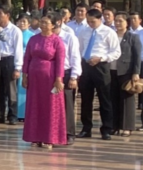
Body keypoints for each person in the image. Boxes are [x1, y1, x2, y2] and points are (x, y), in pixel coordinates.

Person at [21, 14, 66, 150]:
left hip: (49, 77)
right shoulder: (33, 39)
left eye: (46, 23)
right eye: (42, 22)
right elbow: (27, 57)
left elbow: (60, 61)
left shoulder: (57, 41)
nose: (43, 25)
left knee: (50, 106)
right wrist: (25, 75)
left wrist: (59, 79)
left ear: (53, 25)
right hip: (34, 78)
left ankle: (49, 138)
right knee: (34, 105)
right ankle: (34, 136)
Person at [78, 8, 120, 140]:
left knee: (104, 99)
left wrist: (101, 58)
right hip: (86, 66)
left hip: (101, 66)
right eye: (88, 21)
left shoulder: (109, 32)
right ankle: (86, 128)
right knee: (85, 99)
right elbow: (79, 48)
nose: (90, 24)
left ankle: (106, 128)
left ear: (100, 19)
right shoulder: (83, 31)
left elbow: (116, 52)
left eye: (93, 21)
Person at [0, 8, 23, 125]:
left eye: (0, 13)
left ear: (8, 15)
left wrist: (17, 68)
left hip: (9, 60)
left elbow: (18, 50)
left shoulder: (15, 30)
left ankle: (12, 115)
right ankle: (0, 115)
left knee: (11, 90)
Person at [112, 14, 140, 138]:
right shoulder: (111, 35)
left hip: (126, 71)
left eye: (120, 21)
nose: (117, 23)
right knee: (113, 99)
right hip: (111, 70)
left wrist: (136, 73)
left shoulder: (133, 37)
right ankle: (115, 125)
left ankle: (127, 127)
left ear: (126, 23)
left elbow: (137, 57)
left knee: (127, 100)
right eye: (116, 21)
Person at [57, 12, 83, 142]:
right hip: (50, 75)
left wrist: (74, 77)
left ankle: (69, 133)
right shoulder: (44, 38)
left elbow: (75, 58)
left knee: (67, 104)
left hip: (66, 74)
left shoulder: (69, 37)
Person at [16, 15, 36, 122]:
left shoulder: (32, 36)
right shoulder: (15, 33)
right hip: (15, 63)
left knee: (22, 89)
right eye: (20, 21)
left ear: (29, 24)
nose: (22, 23)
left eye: (24, 22)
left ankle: (23, 114)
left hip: (26, 63)